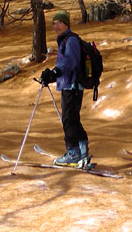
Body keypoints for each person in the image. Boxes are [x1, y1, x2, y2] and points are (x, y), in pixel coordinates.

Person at [40, 10, 90, 167]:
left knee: (69, 120)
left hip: (73, 85)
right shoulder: (64, 40)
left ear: (66, 24)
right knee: (72, 119)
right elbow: (65, 65)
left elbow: (70, 62)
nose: (56, 26)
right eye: (54, 23)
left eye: (59, 23)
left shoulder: (71, 40)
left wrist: (55, 72)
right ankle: (81, 150)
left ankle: (73, 152)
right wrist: (53, 75)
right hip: (69, 85)